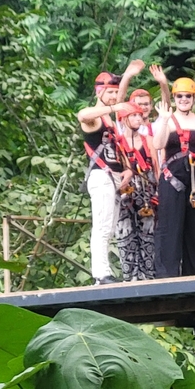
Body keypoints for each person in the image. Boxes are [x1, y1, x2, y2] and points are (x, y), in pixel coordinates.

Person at [152, 77, 195, 278]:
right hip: (173, 180)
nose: (184, 99)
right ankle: (167, 274)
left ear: (193, 98)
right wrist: (164, 119)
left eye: (187, 96)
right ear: (174, 97)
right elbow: (158, 144)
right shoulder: (168, 120)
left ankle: (194, 273)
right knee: (170, 228)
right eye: (180, 96)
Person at [77, 70, 134, 285]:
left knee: (110, 226)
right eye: (110, 92)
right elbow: (82, 115)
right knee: (101, 225)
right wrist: (113, 106)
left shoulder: (108, 120)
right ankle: (100, 274)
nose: (113, 96)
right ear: (100, 92)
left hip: (114, 176)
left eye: (116, 92)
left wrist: (127, 169)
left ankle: (105, 271)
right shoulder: (95, 118)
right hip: (100, 176)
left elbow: (115, 150)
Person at [115, 103, 158, 280]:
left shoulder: (148, 140)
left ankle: (148, 276)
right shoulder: (118, 142)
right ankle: (129, 277)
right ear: (124, 119)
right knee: (126, 234)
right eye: (133, 116)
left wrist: (158, 192)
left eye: (139, 116)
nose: (138, 119)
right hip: (126, 193)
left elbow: (156, 167)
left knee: (148, 235)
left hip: (147, 191)